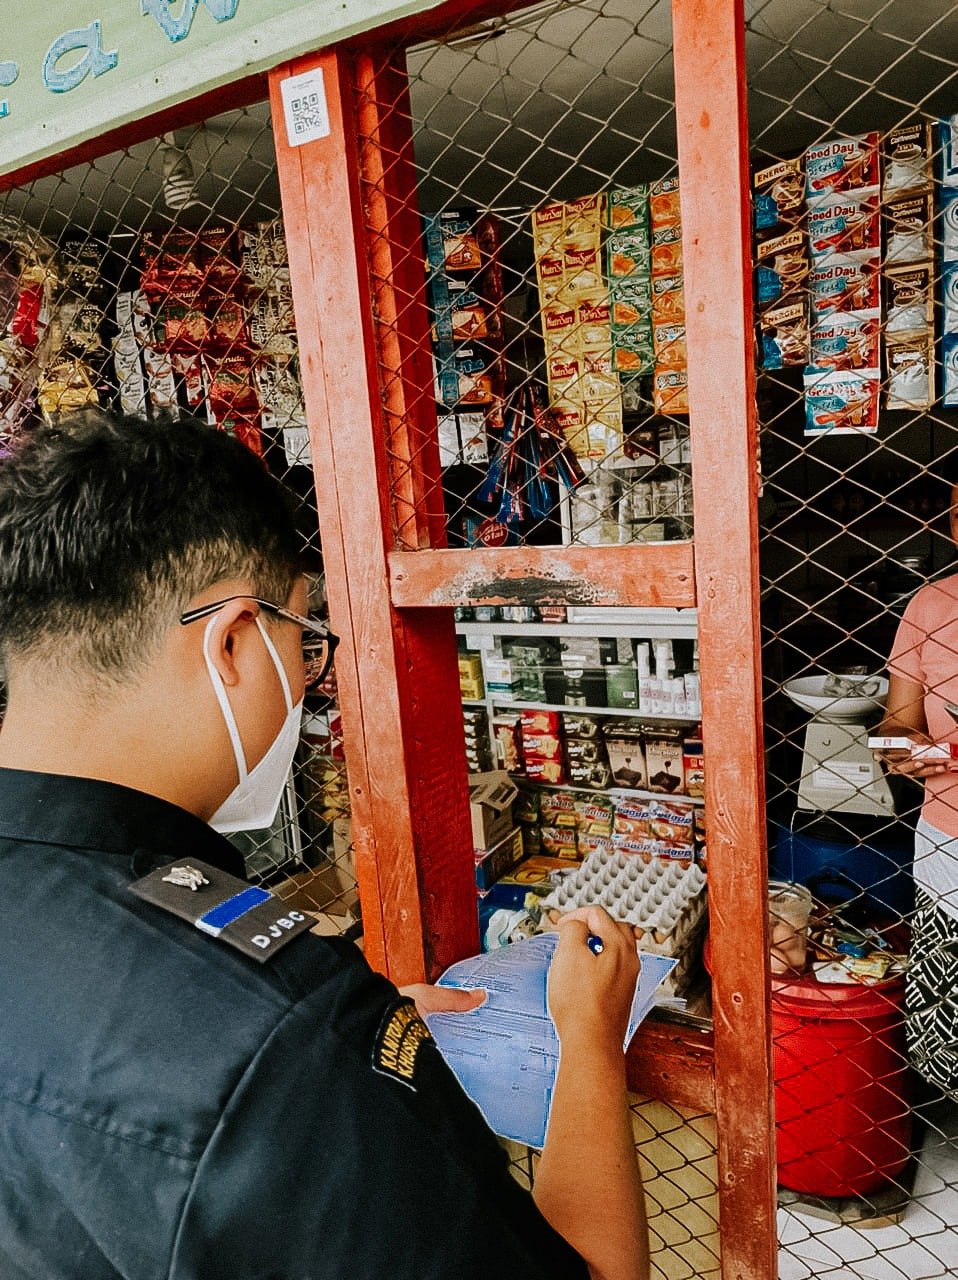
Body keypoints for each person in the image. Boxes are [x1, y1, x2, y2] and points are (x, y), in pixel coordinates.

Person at [0, 410, 649, 1280]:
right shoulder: (287, 1030)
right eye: (303, 637)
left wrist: (352, 1067)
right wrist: (589, 1043)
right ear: (232, 641)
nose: (309, 675)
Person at [875, 484, 958, 1100]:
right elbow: (894, 726)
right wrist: (905, 747)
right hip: (946, 840)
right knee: (945, 1017)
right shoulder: (932, 605)